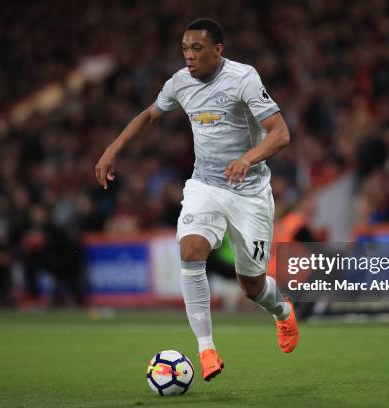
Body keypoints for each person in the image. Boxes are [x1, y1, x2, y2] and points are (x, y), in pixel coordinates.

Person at [95, 18, 298, 381]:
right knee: (190, 251)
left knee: (251, 285)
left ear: (218, 50)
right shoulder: (179, 83)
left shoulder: (244, 78)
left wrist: (247, 158)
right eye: (185, 49)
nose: (189, 56)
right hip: (205, 184)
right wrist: (114, 147)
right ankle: (206, 350)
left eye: (197, 49)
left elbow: (280, 133)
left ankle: (282, 312)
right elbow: (149, 115)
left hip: (250, 192)